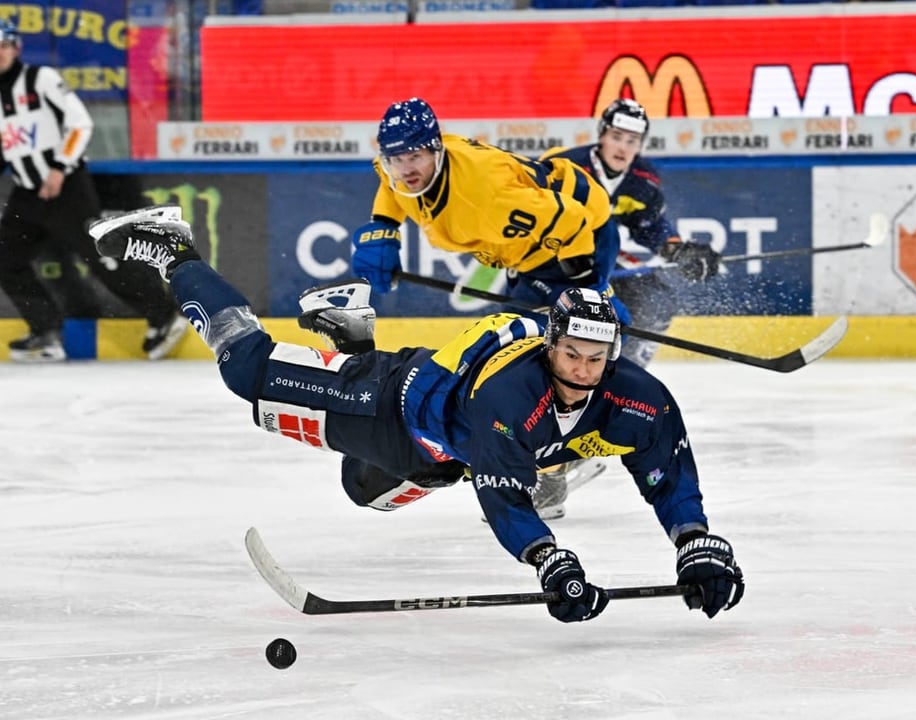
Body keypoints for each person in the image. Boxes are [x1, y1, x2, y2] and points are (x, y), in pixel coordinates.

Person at [89, 204, 745, 624]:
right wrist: (550, 561)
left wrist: (696, 544)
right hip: (390, 403)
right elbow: (505, 501)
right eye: (570, 353)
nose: (583, 368)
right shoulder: (511, 397)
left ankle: (352, 336)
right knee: (249, 373)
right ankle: (175, 249)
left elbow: (668, 474)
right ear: (551, 346)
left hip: (442, 453)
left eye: (596, 358)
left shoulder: (639, 398)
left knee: (361, 491)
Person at [0, 20, 186, 362]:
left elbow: (80, 122)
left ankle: (163, 314)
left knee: (101, 255)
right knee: (5, 258)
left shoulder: (40, 79)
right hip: (28, 191)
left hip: (67, 186)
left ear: (16, 48)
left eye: (3, 46)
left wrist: (59, 167)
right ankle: (46, 332)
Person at [350, 97, 629, 321]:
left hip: (583, 233)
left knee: (566, 337)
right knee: (526, 344)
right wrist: (383, 226)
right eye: (397, 159)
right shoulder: (403, 170)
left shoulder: (484, 196)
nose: (406, 170)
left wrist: (590, 288)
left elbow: (572, 219)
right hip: (528, 249)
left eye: (415, 157)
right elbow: (390, 184)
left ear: (437, 150)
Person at [545, 98, 721, 368]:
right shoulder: (565, 167)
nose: (623, 147)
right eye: (617, 137)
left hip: (601, 257)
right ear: (602, 135)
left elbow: (648, 225)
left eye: (632, 140)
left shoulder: (642, 179)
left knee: (657, 299)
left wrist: (675, 247)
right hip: (550, 259)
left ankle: (626, 373)